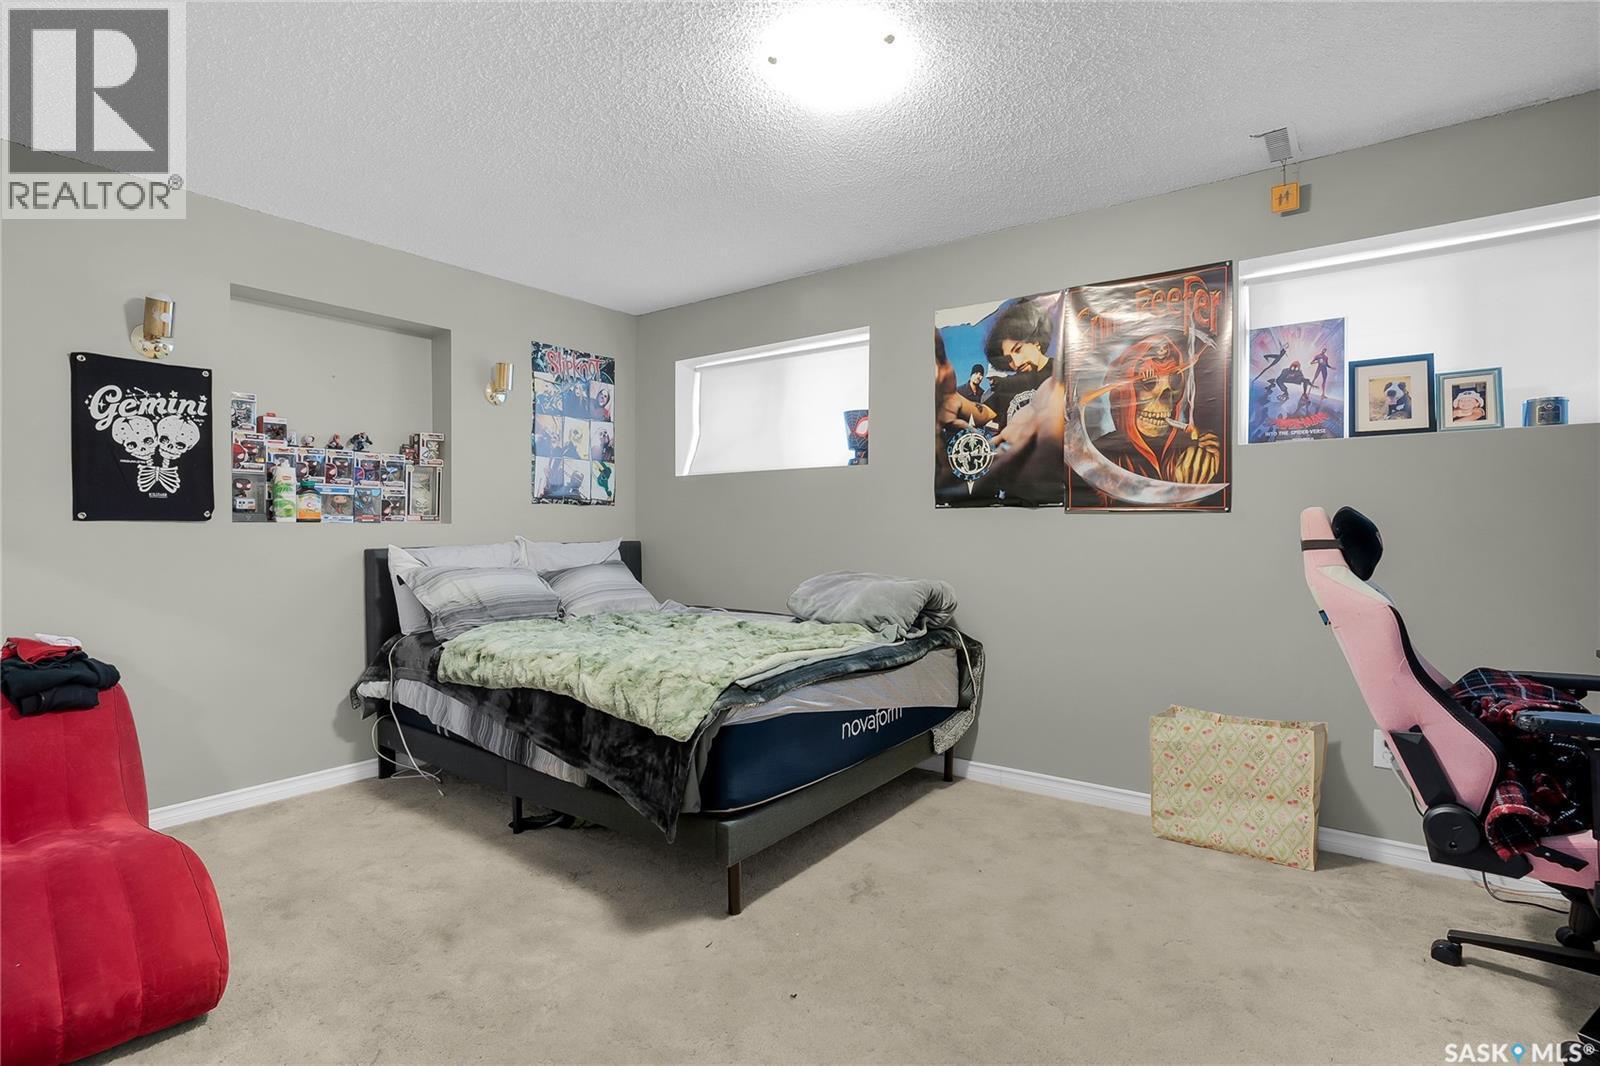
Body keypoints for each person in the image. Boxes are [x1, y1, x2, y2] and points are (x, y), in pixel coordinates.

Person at [982, 300, 1054, 432]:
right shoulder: (1009, 385)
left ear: (1036, 341)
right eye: (1008, 359)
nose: (1016, 363)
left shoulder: (1063, 371)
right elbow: (984, 412)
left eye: (1018, 349)